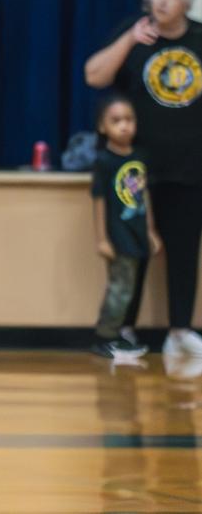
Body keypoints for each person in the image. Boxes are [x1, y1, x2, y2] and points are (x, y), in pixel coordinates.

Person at [85, 0, 202, 362]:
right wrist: (129, 39)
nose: (161, 1)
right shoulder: (133, 33)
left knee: (184, 251)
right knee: (133, 251)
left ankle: (180, 331)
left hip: (190, 166)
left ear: (186, 0)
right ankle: (124, 330)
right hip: (135, 173)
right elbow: (94, 76)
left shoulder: (199, 37)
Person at [89, 95, 161, 360]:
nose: (124, 126)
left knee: (128, 288)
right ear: (102, 126)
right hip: (117, 236)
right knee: (120, 289)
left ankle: (116, 334)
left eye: (129, 120)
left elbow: (144, 196)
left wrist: (151, 230)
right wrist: (101, 238)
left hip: (137, 232)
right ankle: (104, 337)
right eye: (116, 120)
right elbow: (97, 201)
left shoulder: (140, 157)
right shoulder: (104, 161)